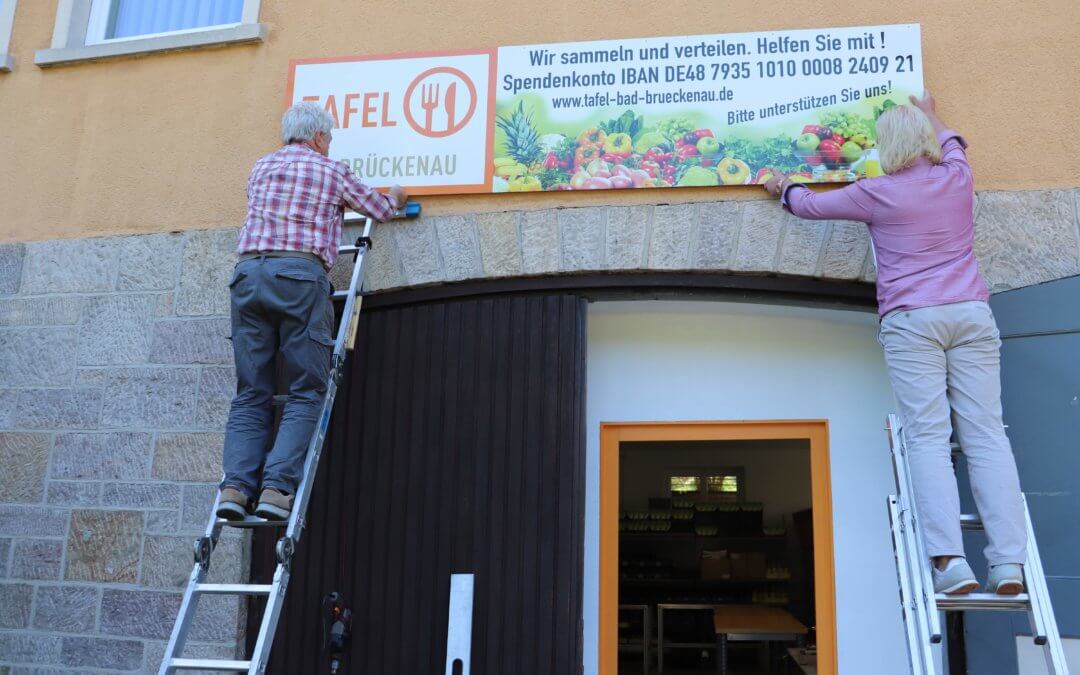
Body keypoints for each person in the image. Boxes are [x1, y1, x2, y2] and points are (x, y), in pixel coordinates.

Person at [763, 92, 1026, 595]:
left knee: (927, 438)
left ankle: (952, 566)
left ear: (886, 147)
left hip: (914, 321)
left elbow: (809, 206)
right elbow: (953, 143)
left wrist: (782, 184)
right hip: (971, 314)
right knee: (988, 437)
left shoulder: (876, 192)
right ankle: (1008, 566)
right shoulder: (957, 177)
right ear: (927, 141)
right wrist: (930, 112)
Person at [217, 102, 407, 522]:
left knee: (251, 392)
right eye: (330, 138)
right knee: (306, 388)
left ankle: (234, 487)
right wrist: (396, 196)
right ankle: (276, 490)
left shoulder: (260, 168)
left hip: (248, 275)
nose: (330, 144)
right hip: (299, 277)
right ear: (320, 137)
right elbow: (378, 210)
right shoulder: (331, 170)